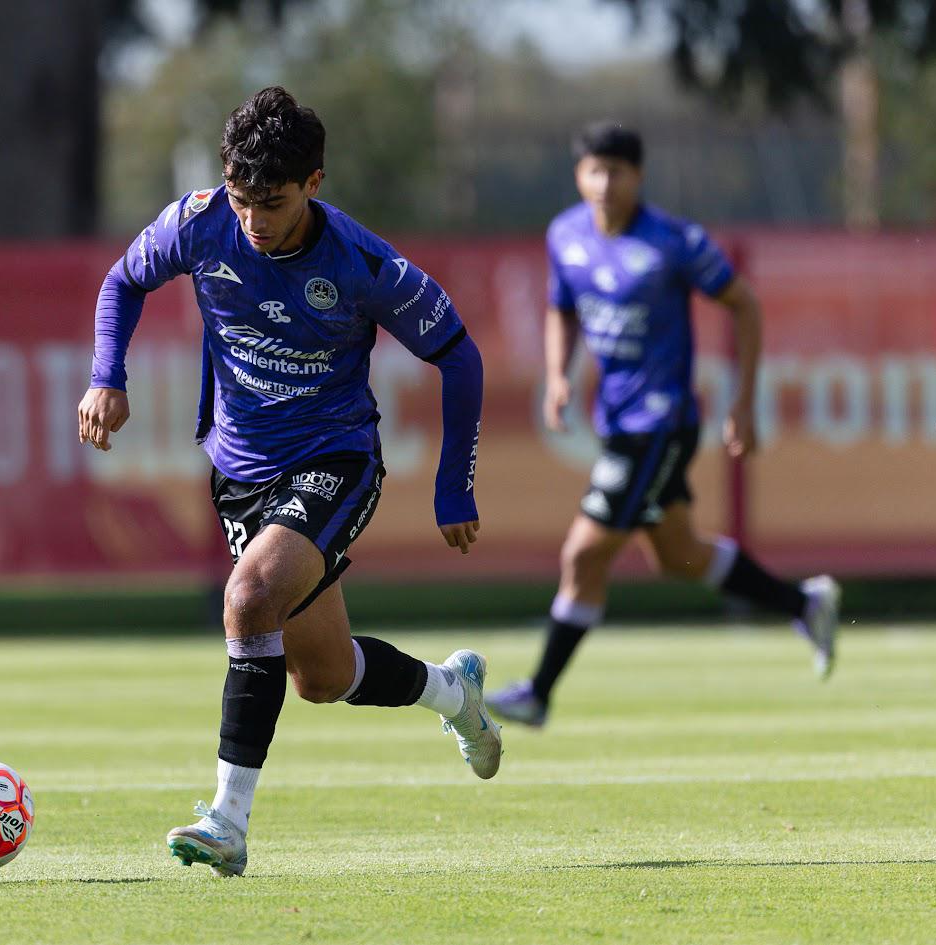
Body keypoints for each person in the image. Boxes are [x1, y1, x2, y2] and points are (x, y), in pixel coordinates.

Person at [78, 87, 500, 877]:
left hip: (336, 460)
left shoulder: (363, 263)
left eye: (270, 202)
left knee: (247, 599)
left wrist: (454, 485)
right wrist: (108, 375)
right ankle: (455, 694)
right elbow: (122, 281)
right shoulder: (200, 222)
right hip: (241, 473)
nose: (253, 222)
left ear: (314, 181)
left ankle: (227, 821)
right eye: (241, 199)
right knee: (323, 676)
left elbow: (460, 355)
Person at [485, 121, 841, 729]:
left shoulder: (674, 241)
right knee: (678, 554)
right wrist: (559, 373)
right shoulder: (565, 235)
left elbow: (744, 303)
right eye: (594, 171)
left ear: (638, 176)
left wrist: (744, 401)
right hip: (617, 422)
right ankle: (805, 604)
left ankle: (538, 693)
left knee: (584, 554)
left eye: (616, 171)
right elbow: (560, 308)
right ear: (579, 175)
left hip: (662, 423)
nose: (604, 183)